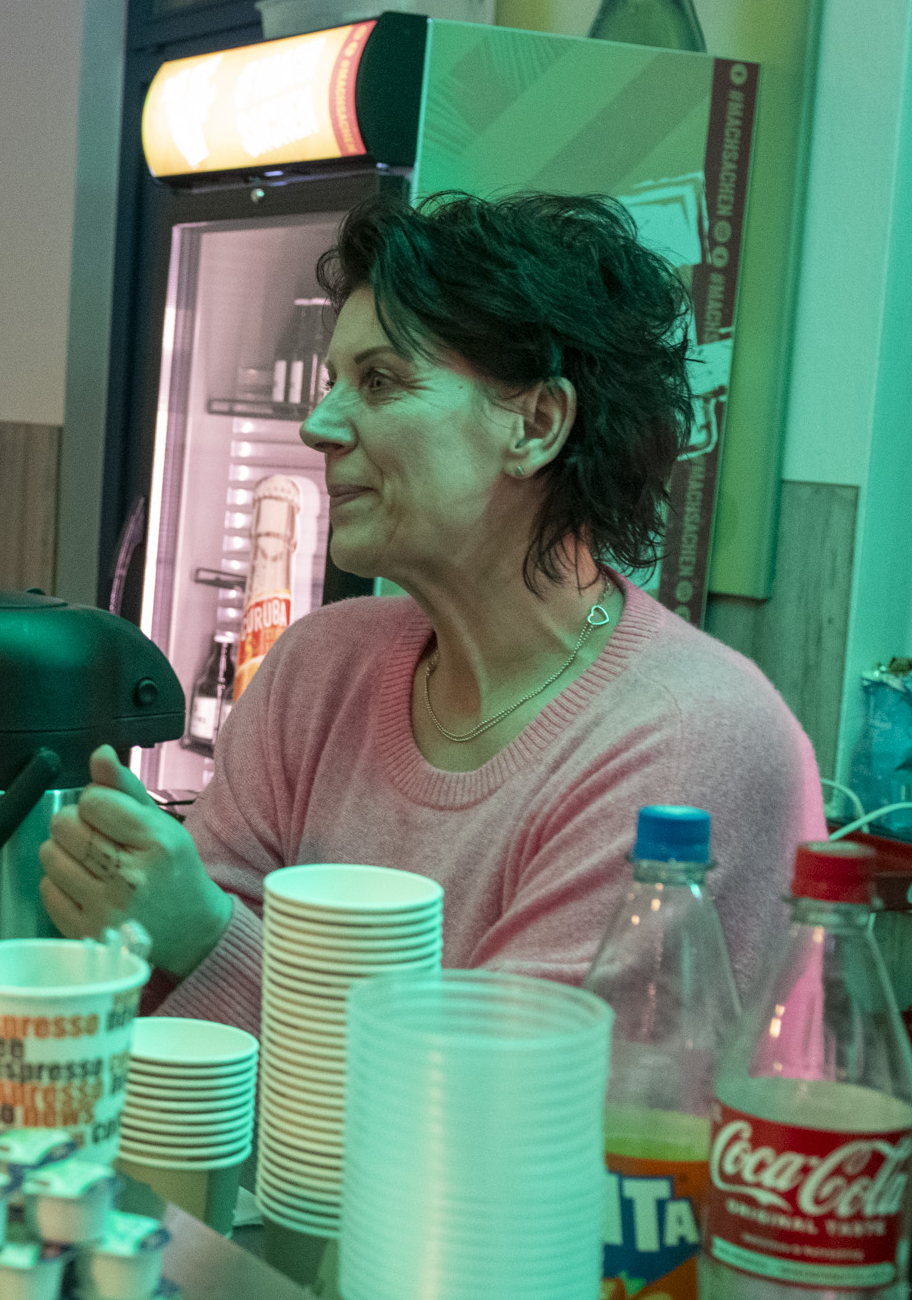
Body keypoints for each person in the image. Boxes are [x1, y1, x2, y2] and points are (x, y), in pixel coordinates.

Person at [42, 190, 823, 1014]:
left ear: (537, 424)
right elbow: (161, 993)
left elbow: (508, 1103)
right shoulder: (322, 668)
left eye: (379, 381)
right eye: (332, 379)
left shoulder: (687, 744)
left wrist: (205, 939)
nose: (319, 424)